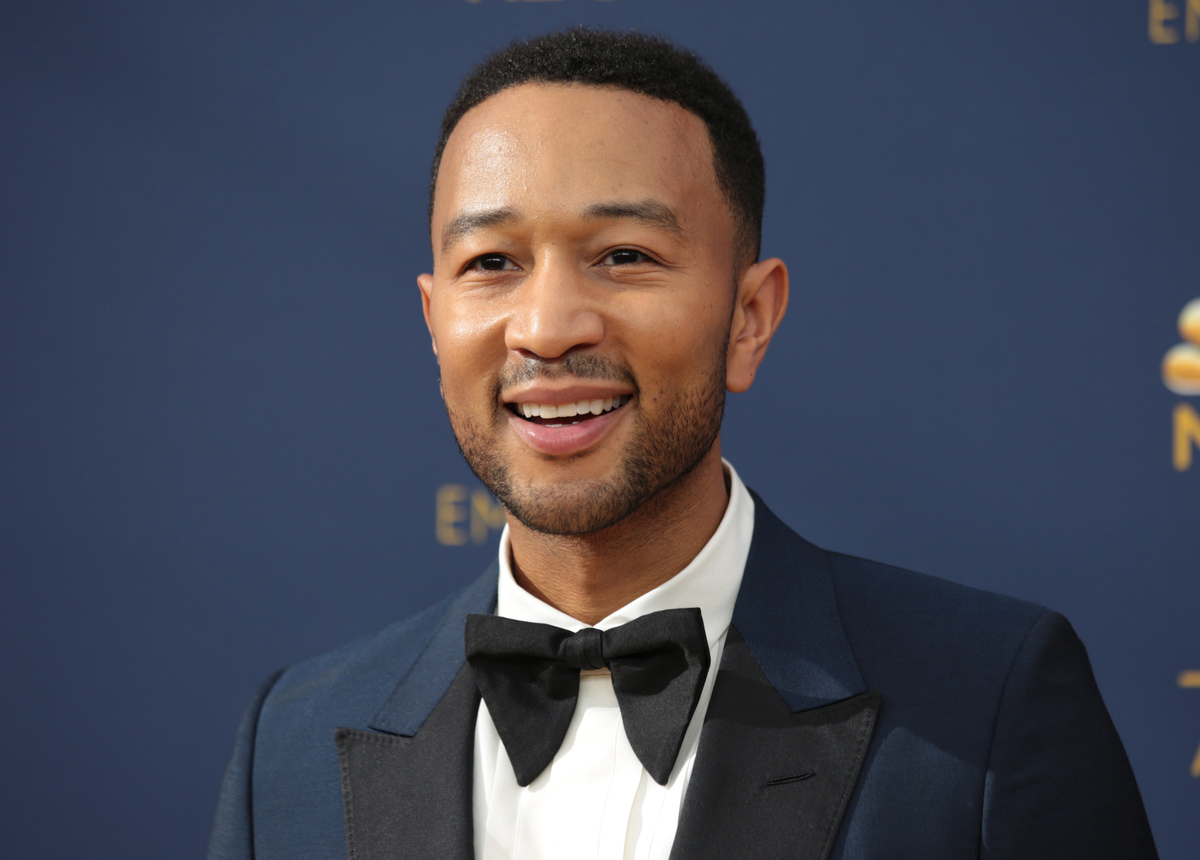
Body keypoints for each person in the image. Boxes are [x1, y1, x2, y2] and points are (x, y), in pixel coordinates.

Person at [207, 27, 1157, 860]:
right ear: (433, 321)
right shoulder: (291, 743)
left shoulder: (985, 704)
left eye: (624, 256)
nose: (546, 328)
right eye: (491, 262)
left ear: (749, 318)